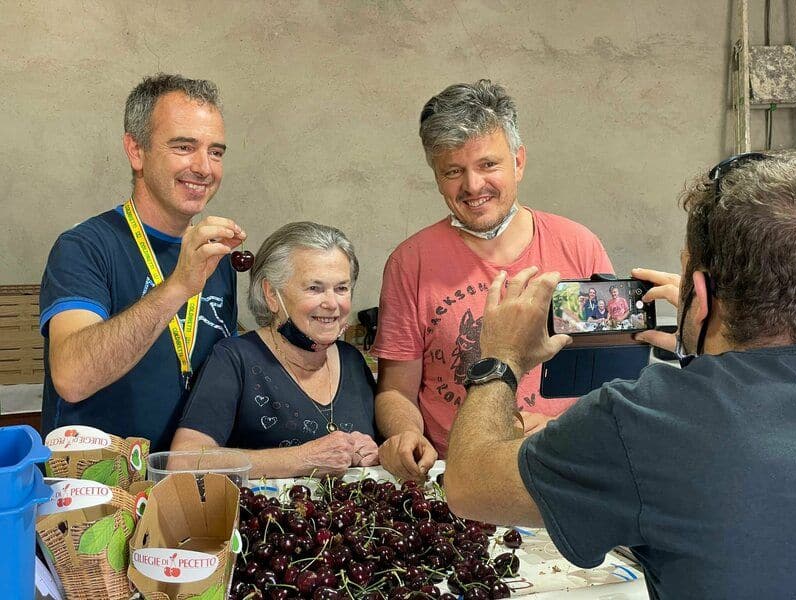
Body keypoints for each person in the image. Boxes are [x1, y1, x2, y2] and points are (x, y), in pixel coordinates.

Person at [445, 151, 796, 598]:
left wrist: (501, 357)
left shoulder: (648, 418)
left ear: (703, 295)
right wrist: (703, 338)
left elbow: (468, 486)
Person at [372, 79, 613, 480]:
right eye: (453, 171)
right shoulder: (410, 262)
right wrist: (407, 433)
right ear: (436, 175)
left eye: (488, 165)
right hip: (457, 475)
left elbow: (611, 380)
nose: (472, 186)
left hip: (564, 465)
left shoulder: (579, 248)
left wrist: (559, 427)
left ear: (518, 161)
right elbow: (396, 389)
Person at [39, 74, 246, 451]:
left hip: (187, 479)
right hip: (99, 488)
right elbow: (72, 377)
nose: (204, 167)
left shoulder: (214, 255)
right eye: (184, 147)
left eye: (216, 152)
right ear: (136, 151)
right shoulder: (84, 247)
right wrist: (179, 286)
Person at [172, 222, 379, 478]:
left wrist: (369, 452)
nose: (332, 303)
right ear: (271, 294)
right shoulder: (235, 359)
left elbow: (373, 449)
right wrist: (302, 459)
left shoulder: (352, 360)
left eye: (341, 288)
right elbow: (184, 461)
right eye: (314, 288)